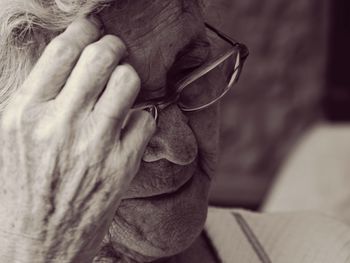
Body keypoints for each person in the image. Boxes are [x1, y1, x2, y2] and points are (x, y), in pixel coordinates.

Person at [0, 0, 349, 262]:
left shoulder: (323, 250)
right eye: (108, 105)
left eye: (187, 71)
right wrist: (37, 249)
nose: (181, 148)